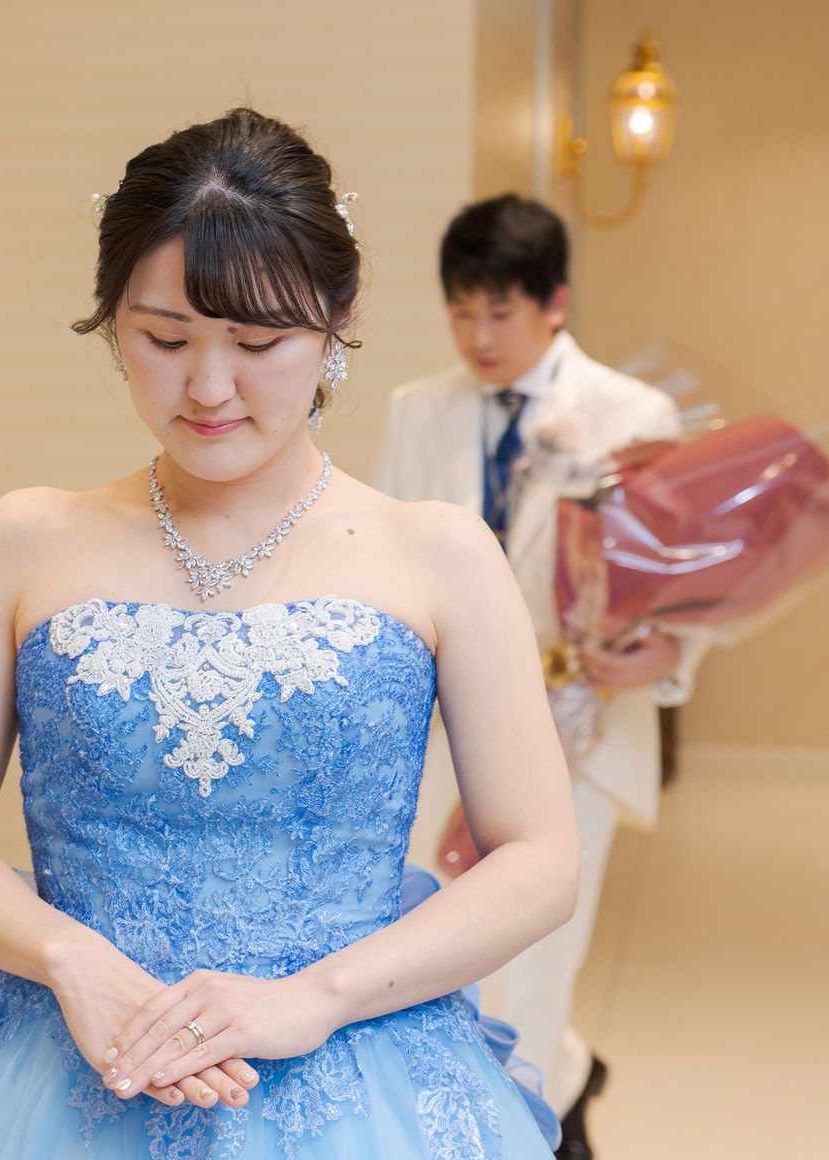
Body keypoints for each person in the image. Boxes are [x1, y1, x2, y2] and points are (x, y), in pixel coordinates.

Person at [0, 111, 579, 1159]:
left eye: (258, 344)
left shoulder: (438, 553)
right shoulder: (24, 540)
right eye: (164, 340)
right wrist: (72, 960)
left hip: (355, 1071)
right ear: (111, 323)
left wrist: (314, 997)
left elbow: (539, 859)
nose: (208, 388)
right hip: (73, 1058)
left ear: (335, 323)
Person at [375, 193, 703, 1158]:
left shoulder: (633, 413)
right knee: (442, 944)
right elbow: (388, 562)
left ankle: (535, 1127)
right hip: (442, 731)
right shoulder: (416, 411)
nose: (478, 336)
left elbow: (679, 582)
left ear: (554, 304)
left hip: (578, 720)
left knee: (537, 953)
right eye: (461, 312)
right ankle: (554, 1079)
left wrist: (670, 652)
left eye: (500, 312)